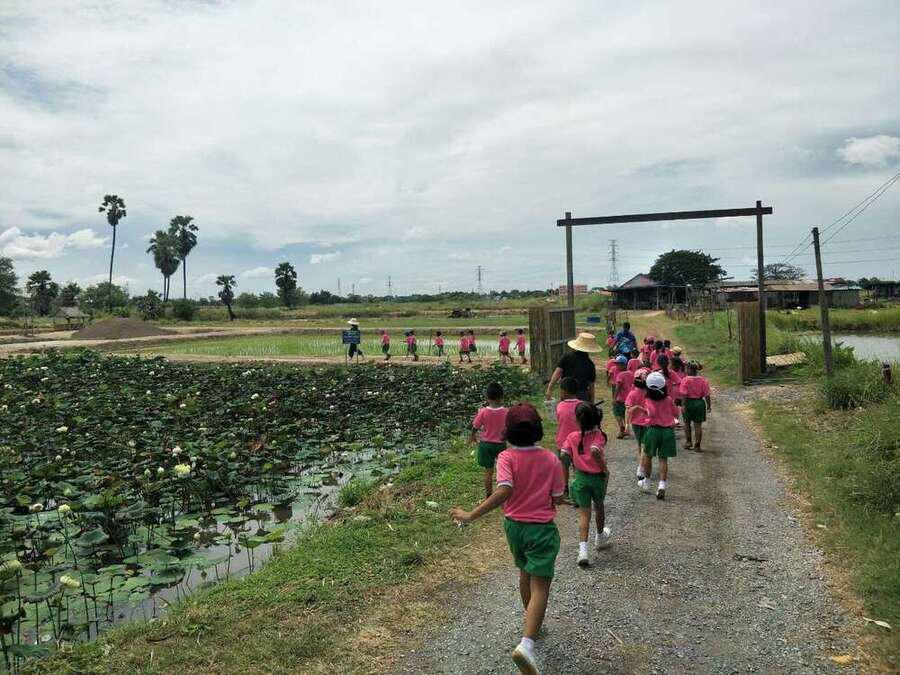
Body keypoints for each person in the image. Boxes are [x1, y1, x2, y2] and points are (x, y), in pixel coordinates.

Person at [450, 403, 564, 675]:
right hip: (541, 529)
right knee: (541, 586)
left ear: (508, 432)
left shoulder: (505, 457)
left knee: (525, 573)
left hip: (514, 528)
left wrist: (471, 515)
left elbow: (504, 490)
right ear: (537, 430)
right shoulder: (551, 459)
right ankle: (527, 644)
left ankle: (531, 623)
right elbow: (558, 496)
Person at [560, 402, 611, 567]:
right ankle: (600, 537)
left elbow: (564, 454)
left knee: (584, 514)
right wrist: (604, 469)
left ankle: (583, 551)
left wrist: (571, 466)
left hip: (581, 478)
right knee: (599, 507)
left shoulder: (572, 437)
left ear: (577, 420)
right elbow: (595, 450)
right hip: (597, 478)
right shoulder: (598, 435)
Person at [632, 371, 679, 500]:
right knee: (663, 459)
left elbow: (651, 413)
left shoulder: (648, 399)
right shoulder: (668, 399)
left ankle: (647, 481)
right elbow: (676, 413)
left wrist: (640, 409)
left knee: (648, 456)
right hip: (668, 431)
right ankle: (662, 485)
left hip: (653, 430)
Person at [470, 382, 508, 498]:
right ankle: (502, 493)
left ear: (487, 397)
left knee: (488, 471)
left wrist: (472, 436)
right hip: (501, 444)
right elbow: (510, 427)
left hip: (486, 445)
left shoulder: (483, 412)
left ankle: (489, 495)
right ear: (502, 396)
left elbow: (475, 426)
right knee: (502, 470)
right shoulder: (506, 412)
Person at [544, 333, 600, 402]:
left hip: (566, 393)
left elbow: (557, 373)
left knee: (565, 408)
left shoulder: (567, 357)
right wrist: (592, 401)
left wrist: (550, 389)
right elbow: (591, 385)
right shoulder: (590, 364)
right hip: (582, 395)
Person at [555, 377, 582, 500]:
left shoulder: (560, 406)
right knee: (578, 467)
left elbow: (558, 419)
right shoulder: (582, 405)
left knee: (563, 466)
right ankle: (578, 491)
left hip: (562, 443)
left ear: (564, 391)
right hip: (579, 442)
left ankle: (565, 488)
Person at [679, 361, 711, 451]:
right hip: (699, 403)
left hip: (688, 403)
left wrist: (683, 405)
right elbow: (707, 395)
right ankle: (697, 445)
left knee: (687, 423)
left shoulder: (685, 380)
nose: (685, 370)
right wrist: (709, 406)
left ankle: (688, 442)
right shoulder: (703, 380)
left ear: (689, 369)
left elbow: (684, 394)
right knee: (698, 425)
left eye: (686, 369)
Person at [625, 368, 651, 481]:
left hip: (636, 423)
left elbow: (628, 409)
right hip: (647, 422)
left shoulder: (632, 393)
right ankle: (641, 467)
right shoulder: (650, 393)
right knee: (644, 446)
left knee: (640, 446)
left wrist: (627, 424)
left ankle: (641, 467)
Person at [612, 355, 634, 438]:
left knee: (616, 412)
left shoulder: (620, 375)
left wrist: (614, 398)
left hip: (620, 399)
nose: (617, 366)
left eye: (619, 364)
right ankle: (626, 430)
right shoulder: (631, 373)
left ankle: (621, 427)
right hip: (629, 399)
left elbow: (618, 387)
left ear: (624, 365)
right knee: (625, 414)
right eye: (616, 364)